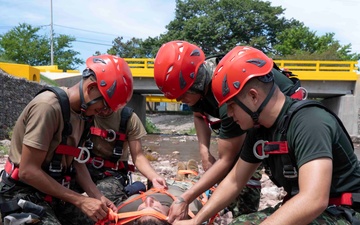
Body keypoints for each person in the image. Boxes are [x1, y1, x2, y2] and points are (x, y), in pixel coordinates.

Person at [173, 46, 360, 225]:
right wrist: (197, 219)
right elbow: (234, 180)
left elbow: (313, 200)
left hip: (343, 212)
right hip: (308, 207)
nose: (228, 114)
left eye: (231, 106)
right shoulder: (259, 131)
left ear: (253, 97)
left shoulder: (309, 122)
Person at [153, 40, 303, 222]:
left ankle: (245, 211)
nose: (181, 101)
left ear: (197, 83)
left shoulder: (228, 97)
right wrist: (204, 151)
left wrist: (186, 199)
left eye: (183, 95)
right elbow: (199, 116)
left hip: (278, 124)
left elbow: (227, 160)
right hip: (254, 119)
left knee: (245, 176)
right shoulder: (197, 87)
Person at [0, 54, 134, 225]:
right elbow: (28, 171)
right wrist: (81, 200)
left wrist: (97, 196)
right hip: (22, 193)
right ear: (91, 88)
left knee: (106, 221)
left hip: (56, 195)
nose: (104, 112)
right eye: (105, 106)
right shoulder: (48, 107)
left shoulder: (85, 115)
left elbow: (77, 161)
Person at [81, 105, 168, 206]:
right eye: (101, 105)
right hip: (84, 168)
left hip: (112, 173)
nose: (103, 111)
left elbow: (138, 156)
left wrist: (154, 177)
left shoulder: (128, 118)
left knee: (105, 201)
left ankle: (129, 191)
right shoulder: (84, 113)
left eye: (108, 106)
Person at [96, 160, 212, 225]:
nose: (148, 200)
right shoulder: (189, 212)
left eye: (141, 210)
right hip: (184, 189)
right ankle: (189, 177)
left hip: (157, 186)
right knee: (190, 182)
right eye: (155, 208)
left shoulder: (124, 210)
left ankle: (180, 176)